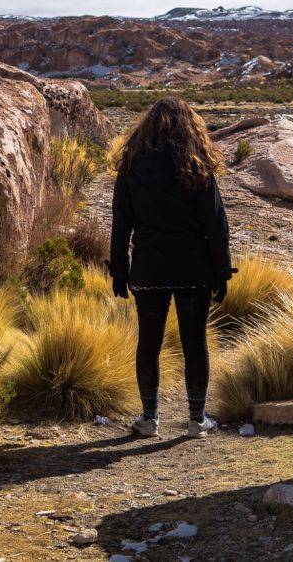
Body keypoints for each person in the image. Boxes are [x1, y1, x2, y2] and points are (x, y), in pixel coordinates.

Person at [109, 96, 232, 438]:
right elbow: (216, 225)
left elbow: (121, 224)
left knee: (149, 343)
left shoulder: (132, 166)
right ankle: (197, 420)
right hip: (194, 267)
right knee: (195, 343)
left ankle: (149, 419)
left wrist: (119, 270)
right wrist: (222, 272)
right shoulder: (197, 165)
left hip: (149, 267)